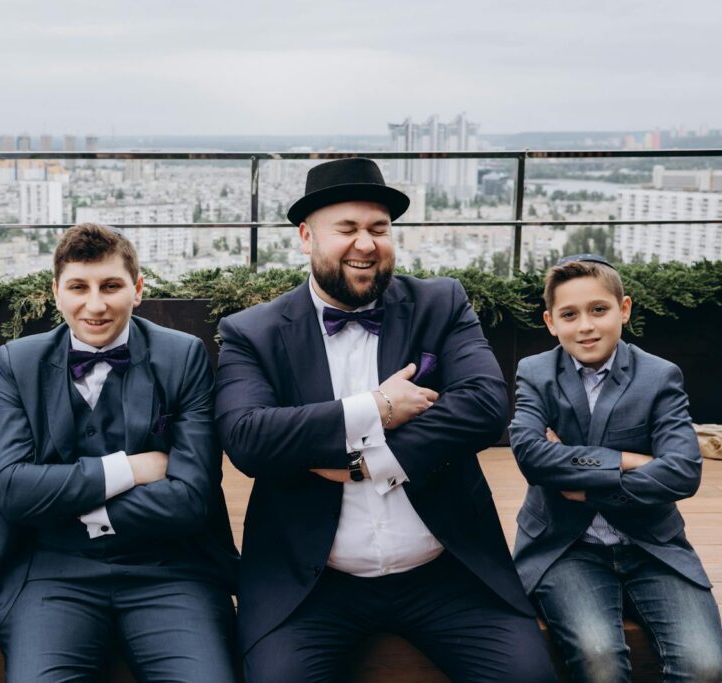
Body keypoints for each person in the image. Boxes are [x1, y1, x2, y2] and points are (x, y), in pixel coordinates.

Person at [214, 157, 555, 682]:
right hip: (311, 584)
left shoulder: (440, 303)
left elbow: (486, 406)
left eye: (379, 229)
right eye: (346, 229)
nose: (366, 244)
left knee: (528, 677)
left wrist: (371, 460)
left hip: (448, 572)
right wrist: (376, 408)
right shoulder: (251, 332)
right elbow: (249, 438)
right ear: (306, 237)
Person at [0, 223, 239, 682]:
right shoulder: (16, 363)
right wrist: (129, 468)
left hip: (169, 571)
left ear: (138, 290)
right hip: (53, 573)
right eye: (79, 287)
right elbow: (12, 492)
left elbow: (191, 501)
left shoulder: (183, 357)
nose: (95, 304)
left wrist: (71, 504)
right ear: (56, 293)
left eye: (112, 286)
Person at [510, 254, 722, 682]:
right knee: (599, 659)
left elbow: (682, 473)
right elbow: (531, 455)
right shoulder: (535, 373)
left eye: (599, 310)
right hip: (565, 546)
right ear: (551, 322)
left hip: (651, 544)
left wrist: (587, 488)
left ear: (624, 309)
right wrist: (626, 461)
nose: (585, 326)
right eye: (570, 314)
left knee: (705, 666)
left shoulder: (660, 376)